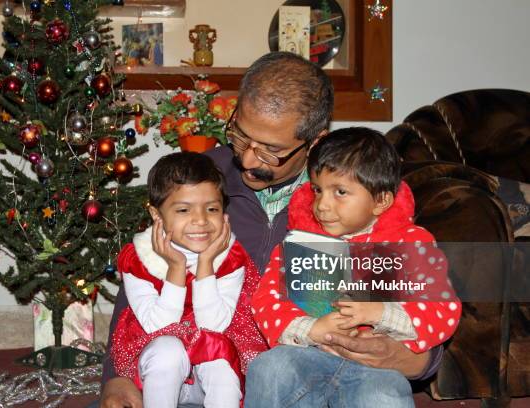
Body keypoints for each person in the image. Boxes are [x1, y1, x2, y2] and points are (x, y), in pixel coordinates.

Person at [99, 52, 441, 408]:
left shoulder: (353, 202)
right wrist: (116, 375)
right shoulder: (200, 180)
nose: (247, 160)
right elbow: (145, 272)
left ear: (316, 142)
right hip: (204, 375)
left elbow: (413, 289)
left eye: (271, 152)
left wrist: (417, 360)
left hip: (316, 376)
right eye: (241, 137)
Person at [246, 127, 462, 407]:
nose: (322, 204)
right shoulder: (299, 243)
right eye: (317, 190)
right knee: (269, 368)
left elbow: (442, 309)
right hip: (307, 355)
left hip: (377, 367)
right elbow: (266, 301)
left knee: (383, 396)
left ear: (381, 200)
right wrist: (311, 329)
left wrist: (380, 313)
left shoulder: (411, 242)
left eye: (340, 192)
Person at [109, 152, 267, 408]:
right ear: (156, 215)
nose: (201, 221)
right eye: (183, 210)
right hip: (156, 369)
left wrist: (206, 263)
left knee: (220, 360)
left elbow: (214, 325)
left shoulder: (229, 257)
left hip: (211, 357)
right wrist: (176, 267)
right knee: (167, 350)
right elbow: (158, 326)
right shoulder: (140, 257)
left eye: (212, 209)